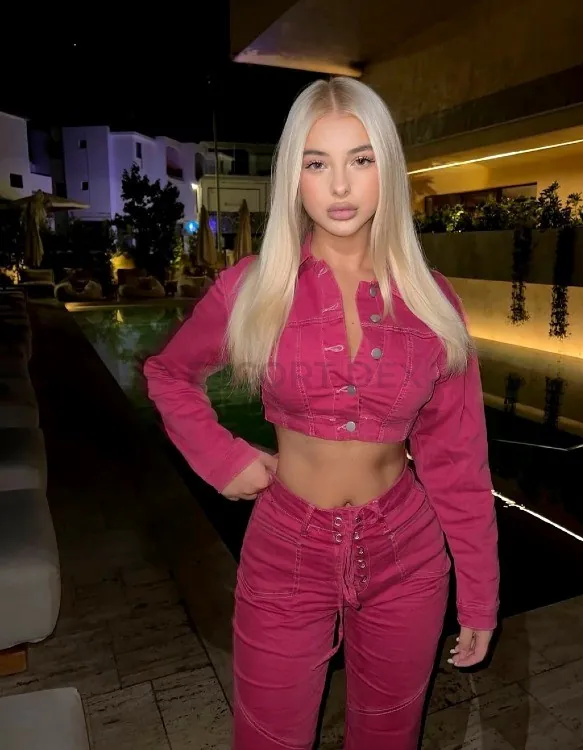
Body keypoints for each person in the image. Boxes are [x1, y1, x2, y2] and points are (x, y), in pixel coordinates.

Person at [143, 77, 499, 750]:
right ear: (294, 178)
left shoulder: (432, 301)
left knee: (389, 737)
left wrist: (480, 595)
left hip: (407, 553)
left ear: (386, 170)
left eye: (361, 159)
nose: (340, 185)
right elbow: (168, 374)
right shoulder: (254, 288)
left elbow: (457, 459)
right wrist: (221, 457)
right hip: (286, 549)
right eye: (317, 162)